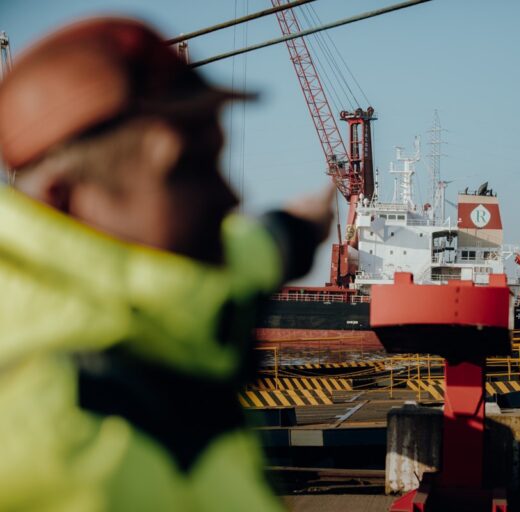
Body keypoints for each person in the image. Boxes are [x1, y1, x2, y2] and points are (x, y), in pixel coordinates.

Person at [0, 17, 334, 511]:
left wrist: (296, 230)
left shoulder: (148, 285)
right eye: (187, 168)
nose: (230, 196)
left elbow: (250, 252)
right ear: (63, 199)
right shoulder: (62, 453)